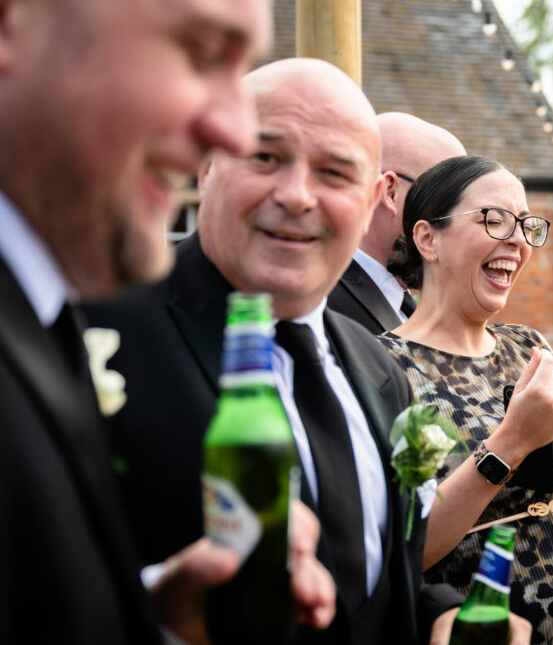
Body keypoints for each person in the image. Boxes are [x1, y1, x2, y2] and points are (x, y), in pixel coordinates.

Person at [85, 58, 530, 645]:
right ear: (209, 162)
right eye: (265, 157)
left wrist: (436, 617)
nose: (298, 196)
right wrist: (162, 614)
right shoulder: (96, 332)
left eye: (335, 172)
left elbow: (376, 576)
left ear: (375, 198)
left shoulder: (379, 369)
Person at [0, 0, 333, 643]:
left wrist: (158, 615)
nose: (235, 133)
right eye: (202, 53)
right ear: (10, 12)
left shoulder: (43, 311)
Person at [378, 155, 553, 644]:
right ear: (428, 239)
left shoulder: (529, 346)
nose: (517, 238)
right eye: (494, 219)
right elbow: (410, 545)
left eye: (526, 224)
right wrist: (509, 444)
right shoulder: (391, 366)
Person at [328, 112, 466, 333]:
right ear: (391, 192)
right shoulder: (323, 301)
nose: (458, 220)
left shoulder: (406, 304)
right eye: (447, 199)